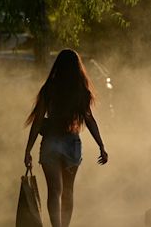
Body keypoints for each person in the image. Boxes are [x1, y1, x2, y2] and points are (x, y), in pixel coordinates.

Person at [23, 49, 108, 227]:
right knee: (68, 191)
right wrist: (101, 145)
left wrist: (28, 149)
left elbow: (37, 121)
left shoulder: (49, 88)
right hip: (71, 144)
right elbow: (89, 120)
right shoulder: (81, 90)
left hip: (51, 143)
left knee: (54, 191)